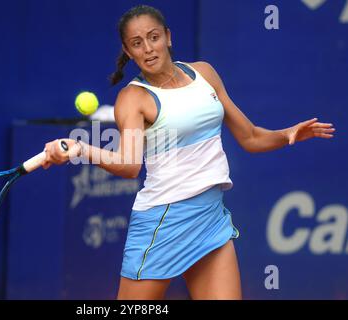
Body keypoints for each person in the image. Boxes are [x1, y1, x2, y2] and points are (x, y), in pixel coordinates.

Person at [42, 5, 335, 300]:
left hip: (210, 217)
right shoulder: (133, 98)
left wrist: (287, 135)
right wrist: (81, 148)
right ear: (128, 52)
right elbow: (129, 165)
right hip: (164, 221)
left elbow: (250, 137)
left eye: (153, 37)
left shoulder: (204, 73)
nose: (148, 49)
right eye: (137, 43)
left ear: (168, 37)